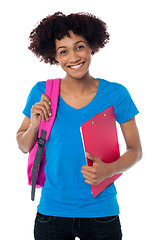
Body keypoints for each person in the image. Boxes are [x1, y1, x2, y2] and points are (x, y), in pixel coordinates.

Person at [16, 12, 142, 240]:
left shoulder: (116, 94)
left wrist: (109, 170)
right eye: (63, 51)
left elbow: (136, 150)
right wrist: (34, 125)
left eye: (79, 47)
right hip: (51, 214)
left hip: (102, 214)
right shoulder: (42, 92)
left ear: (92, 46)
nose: (73, 57)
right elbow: (23, 145)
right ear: (54, 56)